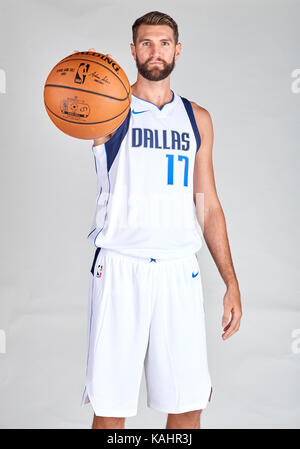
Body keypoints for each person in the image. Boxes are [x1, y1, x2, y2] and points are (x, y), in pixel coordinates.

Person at [79, 10, 242, 429]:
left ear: (177, 50)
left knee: (188, 404)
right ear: (132, 51)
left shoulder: (196, 118)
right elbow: (73, 102)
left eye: (164, 43)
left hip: (177, 270)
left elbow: (207, 205)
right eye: (147, 43)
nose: (156, 51)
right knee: (111, 407)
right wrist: (82, 81)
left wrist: (230, 280)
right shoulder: (108, 111)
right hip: (120, 264)